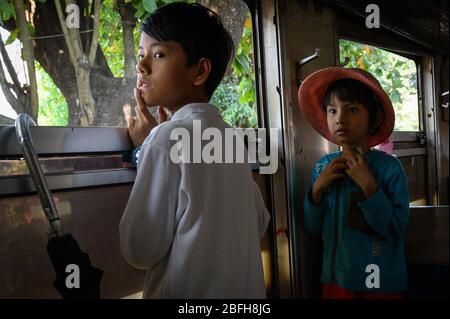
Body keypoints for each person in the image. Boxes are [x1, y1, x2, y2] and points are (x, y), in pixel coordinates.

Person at [119, 2, 270, 299]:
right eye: (141, 55)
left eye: (158, 54)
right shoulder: (230, 140)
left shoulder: (164, 140)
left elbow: (139, 249)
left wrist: (145, 149)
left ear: (200, 71)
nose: (141, 66)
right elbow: (259, 221)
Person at [298, 67, 409, 299]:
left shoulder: (389, 169)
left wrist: (370, 187)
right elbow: (311, 226)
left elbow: (394, 230)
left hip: (380, 282)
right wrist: (317, 190)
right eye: (332, 110)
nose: (340, 119)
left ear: (374, 118)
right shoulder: (323, 167)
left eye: (352, 109)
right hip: (336, 280)